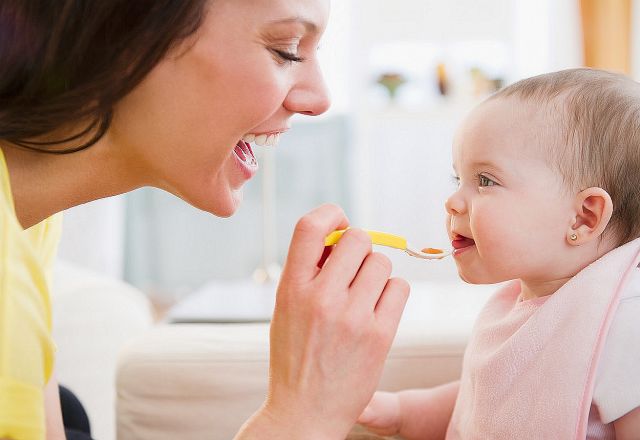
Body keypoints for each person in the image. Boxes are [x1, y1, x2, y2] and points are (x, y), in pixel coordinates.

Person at [0, 1, 410, 439]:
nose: (319, 99)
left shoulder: (30, 220)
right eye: (286, 50)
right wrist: (304, 413)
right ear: (122, 34)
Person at [357, 68, 640, 439]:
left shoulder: (623, 321)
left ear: (584, 217)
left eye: (486, 181)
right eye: (458, 179)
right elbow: (495, 397)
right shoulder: (524, 304)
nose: (453, 200)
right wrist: (404, 412)